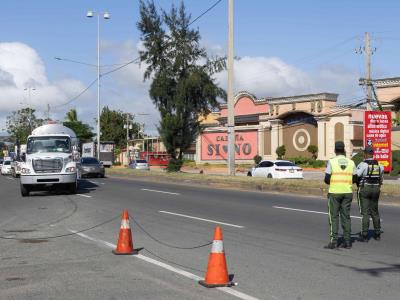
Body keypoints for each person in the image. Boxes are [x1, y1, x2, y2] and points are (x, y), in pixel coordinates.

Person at [324, 141, 357, 249]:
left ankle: (334, 242)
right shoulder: (351, 162)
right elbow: (355, 178)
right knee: (346, 217)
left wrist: (334, 182)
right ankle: (347, 242)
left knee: (333, 217)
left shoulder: (332, 162)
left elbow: (327, 179)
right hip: (347, 192)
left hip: (334, 192)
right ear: (344, 150)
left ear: (335, 150)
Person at [356, 146, 384, 242]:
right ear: (373, 154)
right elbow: (381, 179)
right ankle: (377, 234)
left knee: (366, 213)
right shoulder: (379, 165)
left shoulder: (363, 164)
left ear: (365, 154)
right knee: (375, 211)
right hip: (376, 188)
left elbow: (357, 175)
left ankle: (364, 235)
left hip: (365, 188)